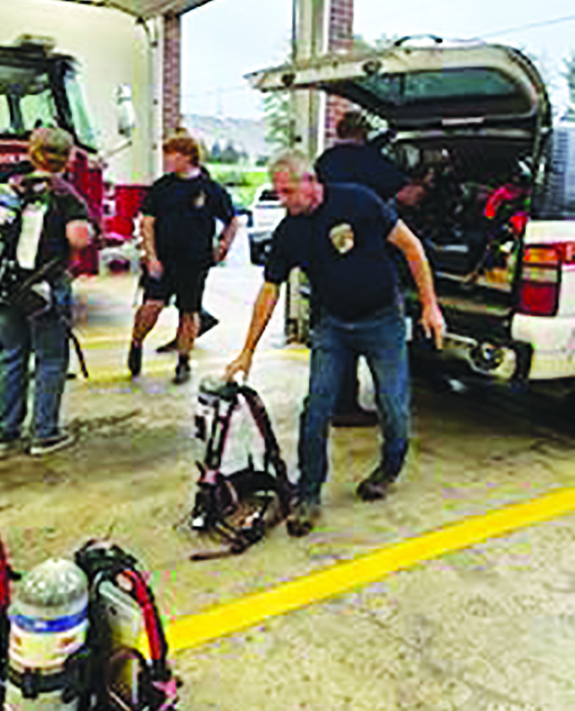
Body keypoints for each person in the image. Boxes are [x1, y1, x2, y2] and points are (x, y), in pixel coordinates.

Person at [225, 150, 445, 537]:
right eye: (278, 192)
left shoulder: (358, 201)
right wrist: (247, 351)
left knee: (393, 408)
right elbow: (269, 290)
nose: (283, 200)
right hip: (332, 326)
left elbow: (410, 247)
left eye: (287, 191)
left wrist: (430, 306)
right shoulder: (289, 231)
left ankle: (389, 468)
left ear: (311, 183)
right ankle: (308, 494)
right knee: (317, 409)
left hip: (383, 321)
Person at [315, 109, 427, 426]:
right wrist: (427, 183)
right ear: (364, 134)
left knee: (335, 331)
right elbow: (408, 197)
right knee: (381, 334)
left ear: (339, 131)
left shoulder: (325, 162)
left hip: (329, 254)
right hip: (367, 257)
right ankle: (386, 408)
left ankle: (339, 403)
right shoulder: (372, 160)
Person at [0, 126, 93, 459]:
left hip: (4, 285)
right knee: (50, 360)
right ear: (68, 157)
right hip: (44, 288)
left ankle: (3, 433)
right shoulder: (65, 194)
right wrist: (88, 229)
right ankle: (44, 434)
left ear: (31, 152)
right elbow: (78, 238)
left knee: (10, 355)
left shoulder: (10, 186)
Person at [128, 131, 241, 385]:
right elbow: (147, 223)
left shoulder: (210, 189)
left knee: (189, 311)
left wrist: (224, 244)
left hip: (195, 261)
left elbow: (232, 220)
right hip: (163, 259)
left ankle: (183, 360)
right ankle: (136, 343)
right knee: (152, 306)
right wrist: (151, 256)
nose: (167, 159)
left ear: (188, 157)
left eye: (172, 155)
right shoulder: (162, 187)